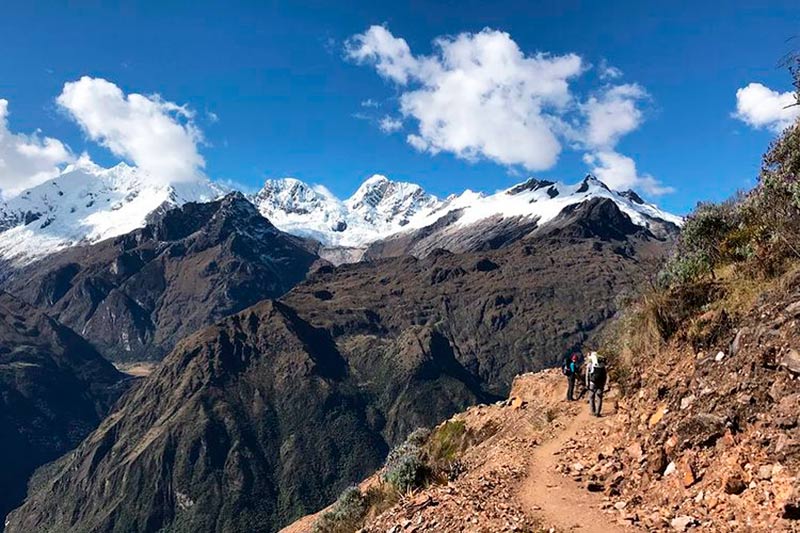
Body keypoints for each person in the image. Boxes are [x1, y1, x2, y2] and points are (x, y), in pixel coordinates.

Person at [586, 351, 607, 416]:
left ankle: (593, 411)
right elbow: (605, 375)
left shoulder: (590, 364)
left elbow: (587, 375)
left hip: (592, 383)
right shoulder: (602, 365)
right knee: (599, 397)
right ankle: (598, 412)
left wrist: (587, 383)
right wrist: (604, 383)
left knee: (591, 397)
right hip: (601, 383)